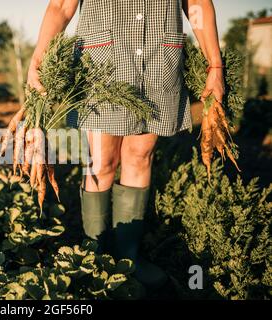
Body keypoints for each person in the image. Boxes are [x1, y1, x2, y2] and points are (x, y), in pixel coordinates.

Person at [27, 0, 225, 289]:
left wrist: (215, 64)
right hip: (102, 64)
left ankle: (127, 259)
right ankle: (95, 257)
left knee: (140, 155)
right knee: (101, 161)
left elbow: (196, 3)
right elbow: (61, 5)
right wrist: (37, 60)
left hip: (160, 61)